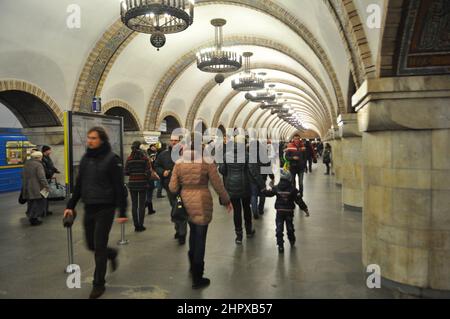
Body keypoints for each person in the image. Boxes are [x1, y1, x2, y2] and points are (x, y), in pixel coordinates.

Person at [64, 127, 128, 299]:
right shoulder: (86, 158)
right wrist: (70, 205)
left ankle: (98, 284)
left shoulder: (112, 160)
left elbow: (118, 187)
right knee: (90, 245)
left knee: (99, 247)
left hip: (105, 208)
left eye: (93, 138)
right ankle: (112, 253)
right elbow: (79, 185)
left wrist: (122, 211)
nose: (89, 141)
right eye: (88, 138)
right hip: (89, 206)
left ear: (102, 140)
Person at [169, 133, 232, 289]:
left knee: (192, 234)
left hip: (185, 202)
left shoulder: (179, 162)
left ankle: (192, 267)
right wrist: (226, 200)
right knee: (200, 238)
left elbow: (172, 187)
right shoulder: (206, 161)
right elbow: (217, 184)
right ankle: (198, 277)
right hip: (202, 201)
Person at [219, 135, 265, 245]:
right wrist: (262, 185)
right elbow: (254, 172)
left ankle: (239, 236)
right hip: (245, 187)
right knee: (246, 209)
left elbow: (222, 170)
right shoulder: (247, 155)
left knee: (237, 211)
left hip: (231, 187)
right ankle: (249, 231)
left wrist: (229, 175)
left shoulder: (226, 155)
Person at [263, 169, 309, 253]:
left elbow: (269, 194)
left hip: (279, 212)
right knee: (290, 227)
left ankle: (280, 245)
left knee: (279, 228)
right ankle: (292, 240)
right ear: (290, 179)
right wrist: (305, 209)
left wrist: (263, 191)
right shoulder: (293, 189)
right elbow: (299, 200)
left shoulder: (276, 187)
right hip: (289, 212)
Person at [154, 135, 187, 245]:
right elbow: (156, 165)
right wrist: (162, 172)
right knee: (175, 207)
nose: (173, 142)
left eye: (176, 140)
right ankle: (178, 228)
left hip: (182, 187)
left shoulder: (185, 154)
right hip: (169, 186)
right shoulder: (163, 154)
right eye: (172, 140)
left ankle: (182, 232)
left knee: (179, 208)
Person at [125, 141, 153, 232]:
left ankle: (136, 225)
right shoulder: (145, 158)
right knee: (141, 205)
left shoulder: (129, 159)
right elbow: (148, 171)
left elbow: (126, 172)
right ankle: (141, 225)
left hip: (132, 184)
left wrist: (133, 173)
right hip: (142, 183)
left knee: (134, 205)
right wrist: (145, 177)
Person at [22, 151, 49, 226]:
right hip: (36, 187)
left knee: (30, 203)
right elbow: (42, 177)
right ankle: (34, 218)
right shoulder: (38, 165)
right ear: (39, 157)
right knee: (38, 203)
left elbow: (22, 175)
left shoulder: (26, 164)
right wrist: (46, 186)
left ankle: (30, 216)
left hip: (27, 186)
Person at [41, 145, 60, 216]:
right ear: (46, 151)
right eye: (49, 150)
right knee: (44, 195)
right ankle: (43, 211)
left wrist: (55, 170)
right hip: (45, 179)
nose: (50, 151)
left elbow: (51, 166)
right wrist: (51, 172)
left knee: (46, 195)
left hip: (48, 178)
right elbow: (45, 169)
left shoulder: (47, 157)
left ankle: (46, 210)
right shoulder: (43, 158)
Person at [146, 144, 159, 215]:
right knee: (149, 193)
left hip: (142, 179)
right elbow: (153, 164)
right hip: (149, 176)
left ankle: (148, 208)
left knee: (148, 194)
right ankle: (147, 207)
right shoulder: (151, 156)